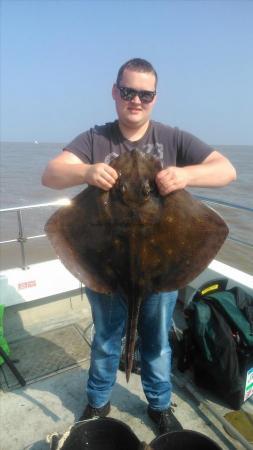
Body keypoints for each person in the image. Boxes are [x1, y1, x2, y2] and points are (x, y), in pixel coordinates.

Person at [42, 58, 236, 434]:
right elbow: (50, 175)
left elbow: (227, 170)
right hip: (106, 263)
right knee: (105, 340)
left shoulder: (174, 138)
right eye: (128, 91)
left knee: (158, 342)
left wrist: (185, 174)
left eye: (144, 94)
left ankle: (159, 405)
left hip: (160, 267)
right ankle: (98, 402)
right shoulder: (95, 139)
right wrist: (85, 171)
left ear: (154, 98)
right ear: (115, 92)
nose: (136, 100)